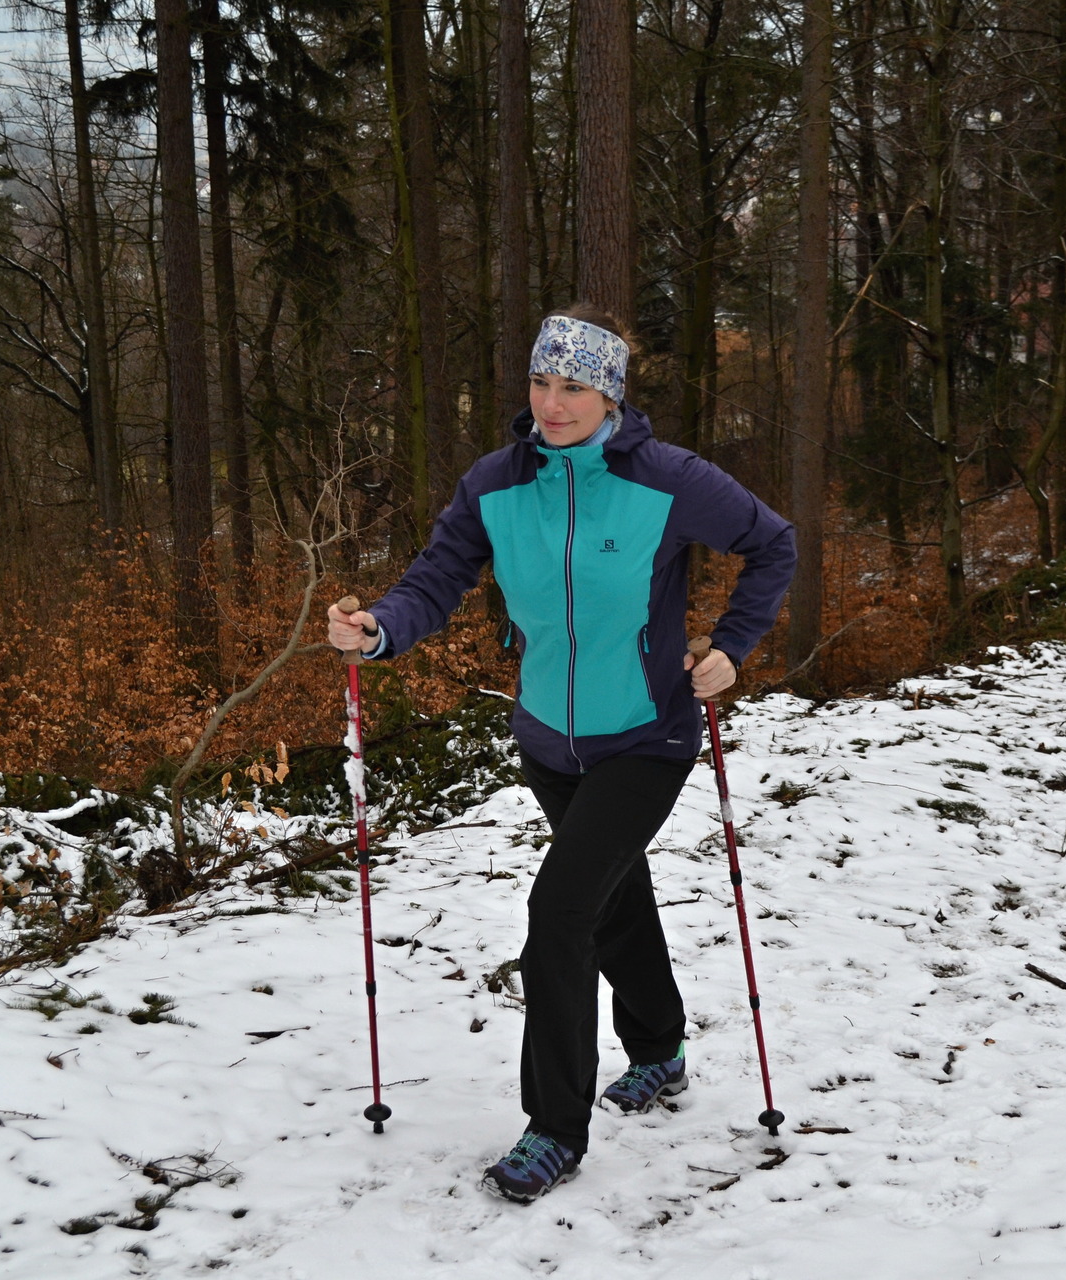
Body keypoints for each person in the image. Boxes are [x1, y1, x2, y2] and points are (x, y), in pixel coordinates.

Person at [327, 304, 795, 1203]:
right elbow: (438, 576)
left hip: (646, 735)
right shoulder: (496, 484)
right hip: (547, 738)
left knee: (560, 912)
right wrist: (380, 628)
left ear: (610, 391)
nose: (552, 402)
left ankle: (554, 1128)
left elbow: (773, 542)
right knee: (612, 897)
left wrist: (732, 646)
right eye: (541, 382)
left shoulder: (670, 479)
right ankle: (659, 1051)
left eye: (573, 385)